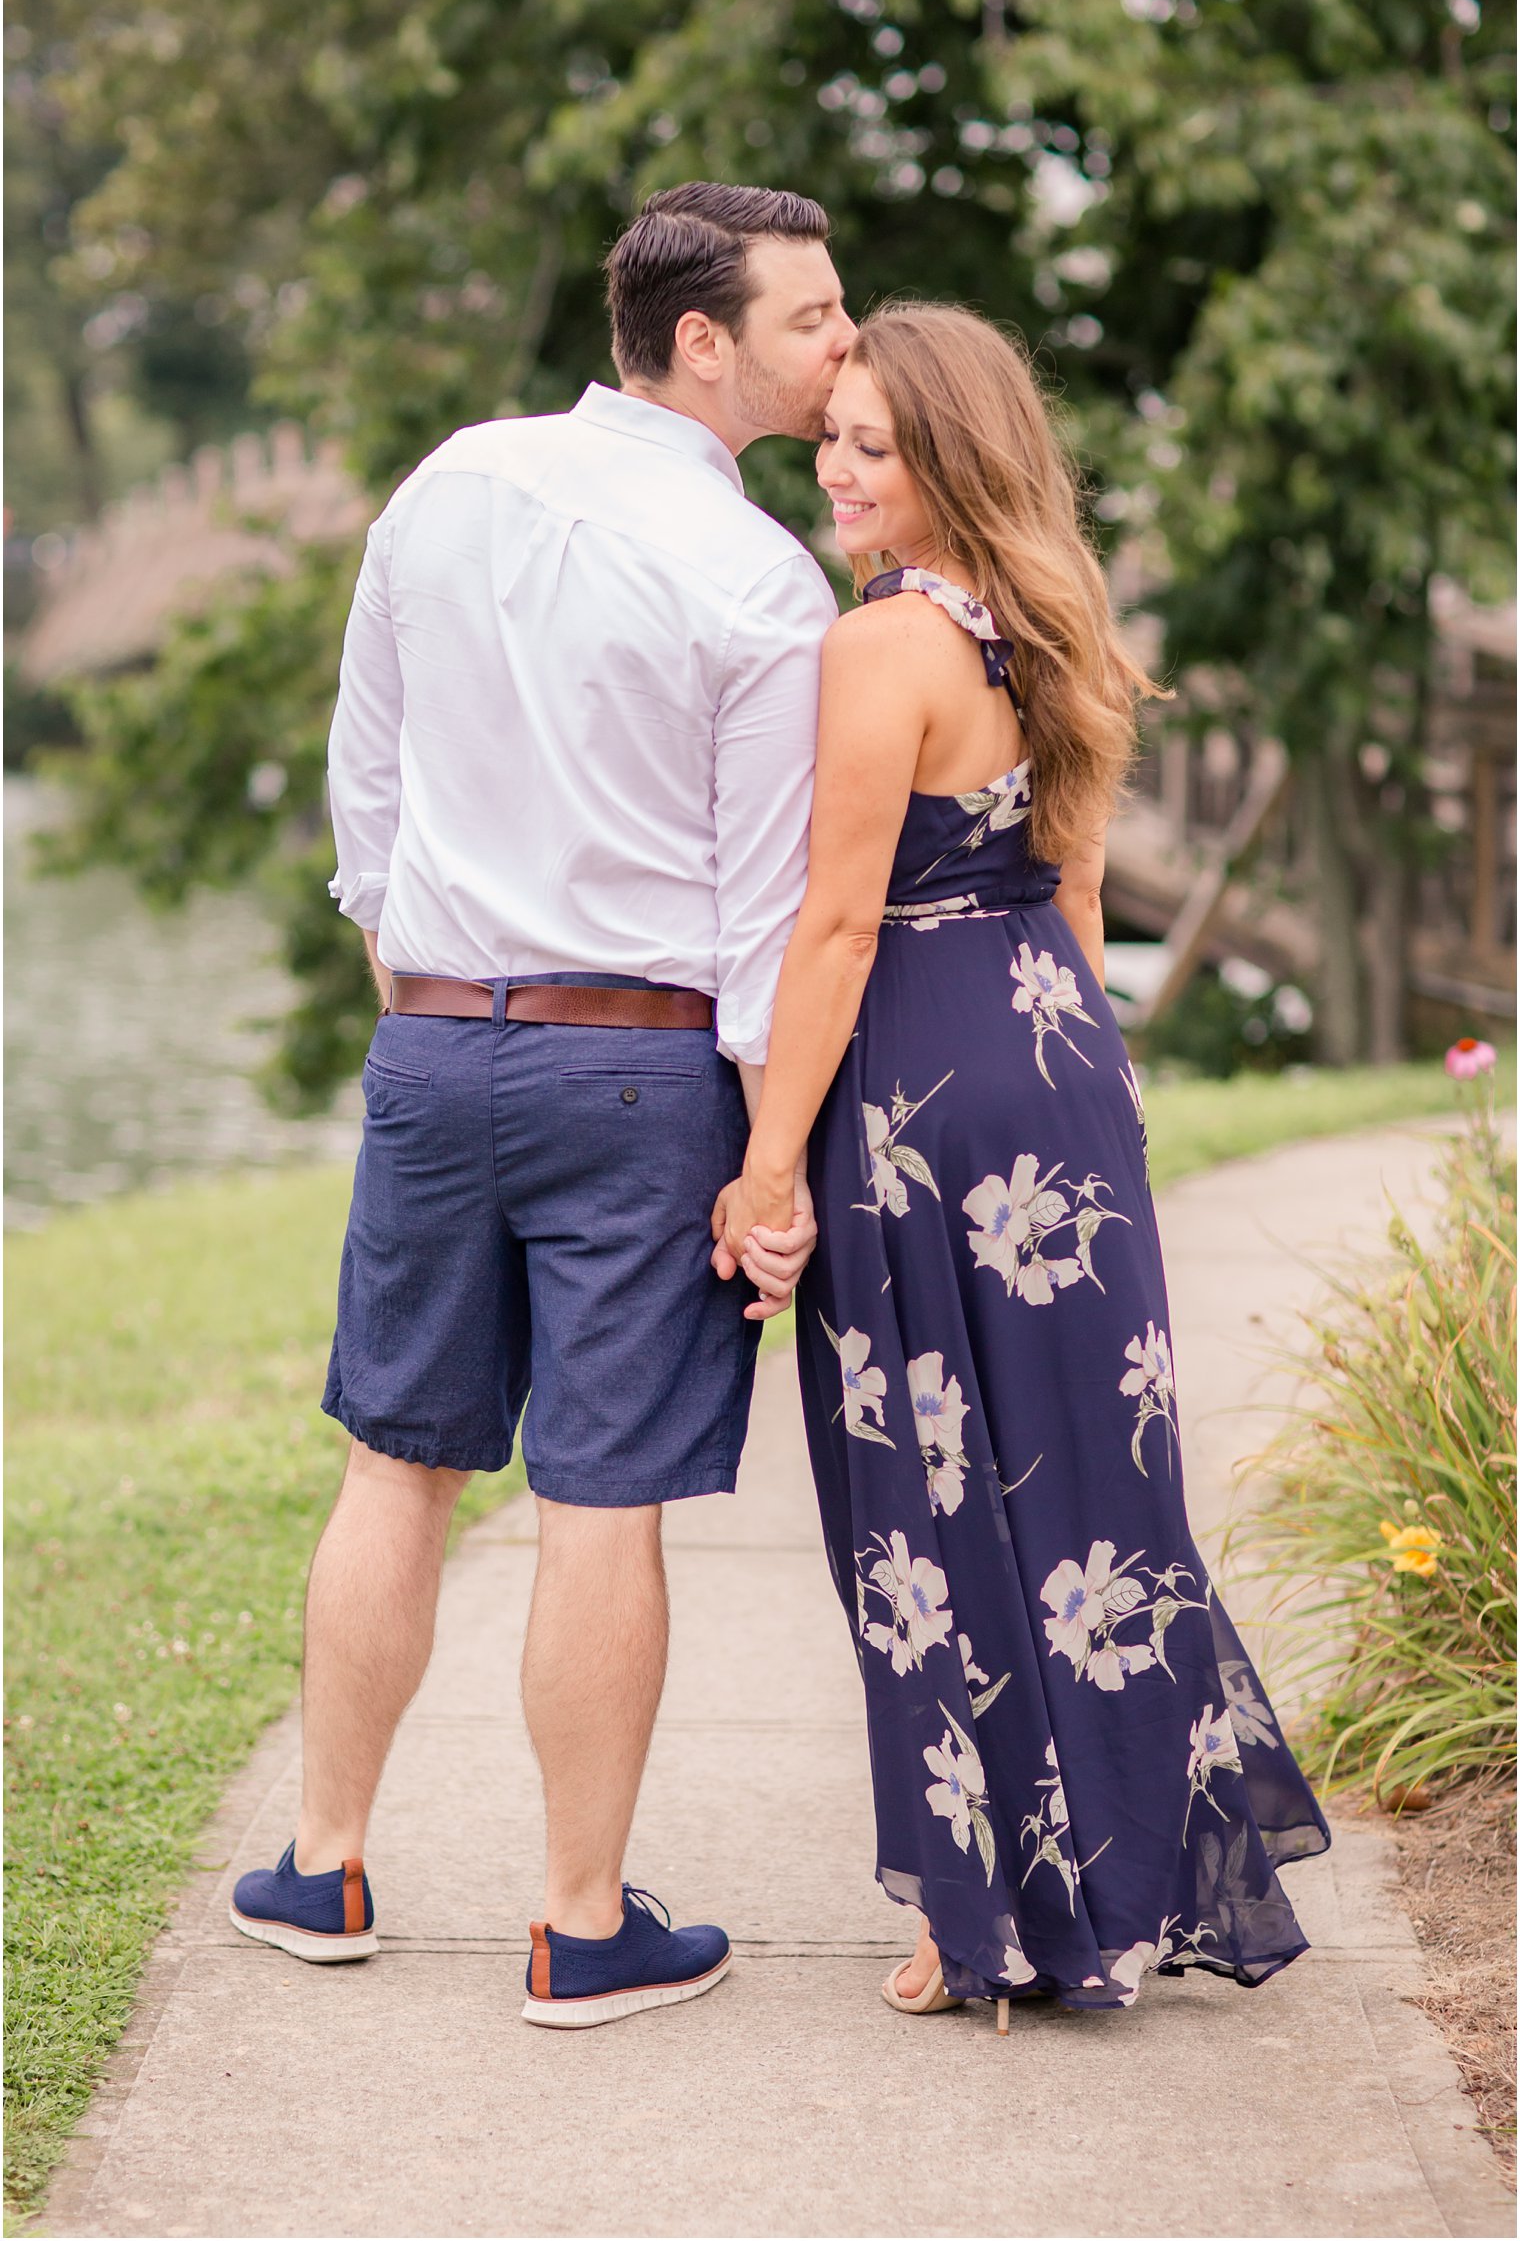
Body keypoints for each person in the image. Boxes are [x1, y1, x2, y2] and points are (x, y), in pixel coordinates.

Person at [229, 183, 852, 2028]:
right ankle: (583, 1924)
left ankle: (321, 1860)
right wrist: (769, 1160)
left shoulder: (451, 484)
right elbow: (764, 914)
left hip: (436, 1040)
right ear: (702, 343)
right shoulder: (761, 581)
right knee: (599, 1501)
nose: (842, 343)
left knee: (395, 1458)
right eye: (812, 317)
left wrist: (424, 985)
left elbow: (369, 787)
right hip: (644, 1065)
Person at [715, 301, 1330, 2026]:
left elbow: (837, 927)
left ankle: (979, 1908)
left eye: (874, 449)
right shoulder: (1046, 624)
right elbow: (1071, 891)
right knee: (1093, 1499)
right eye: (831, 437)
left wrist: (770, 1167)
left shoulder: (880, 647)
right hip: (1061, 1081)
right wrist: (1103, 1090)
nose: (838, 471)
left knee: (931, 1500)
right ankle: (1124, 1883)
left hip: (921, 1106)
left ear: (948, 464)